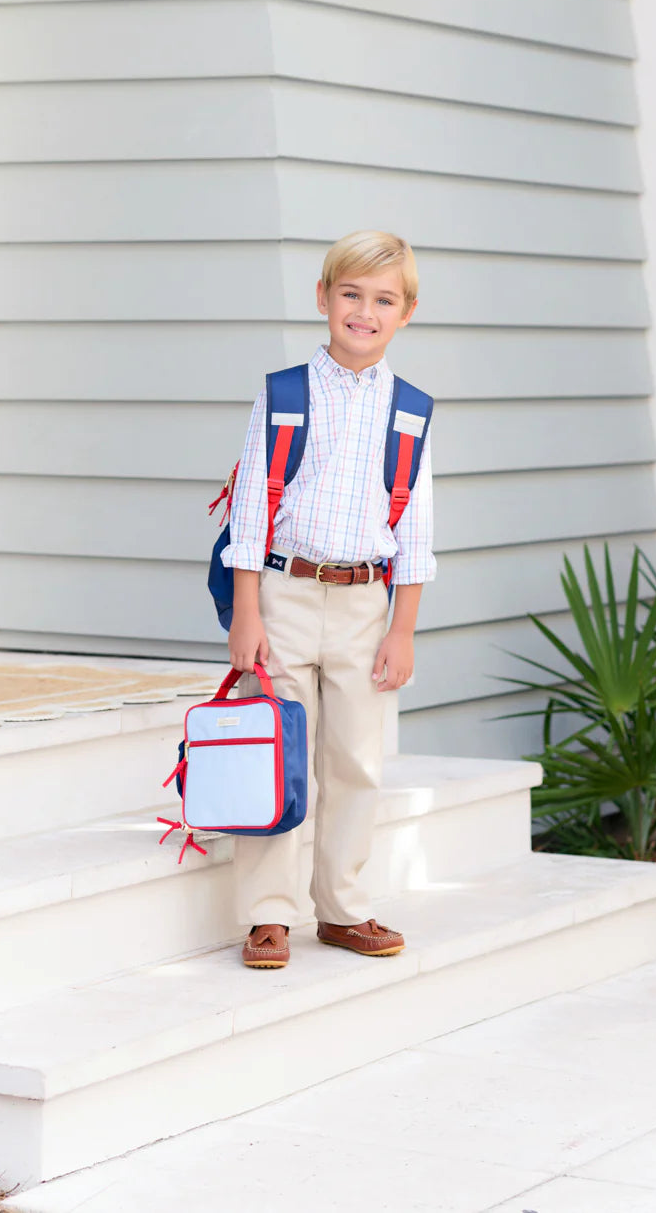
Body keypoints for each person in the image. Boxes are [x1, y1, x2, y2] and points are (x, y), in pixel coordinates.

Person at [223, 230, 436, 968]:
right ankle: (267, 914)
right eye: (350, 294)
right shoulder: (284, 395)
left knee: (354, 761)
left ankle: (342, 909)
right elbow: (250, 512)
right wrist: (246, 611)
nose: (364, 311)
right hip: (282, 593)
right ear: (323, 299)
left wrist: (400, 630)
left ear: (405, 312)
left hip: (361, 607)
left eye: (382, 300)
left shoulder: (409, 411)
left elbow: (414, 531)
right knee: (277, 753)